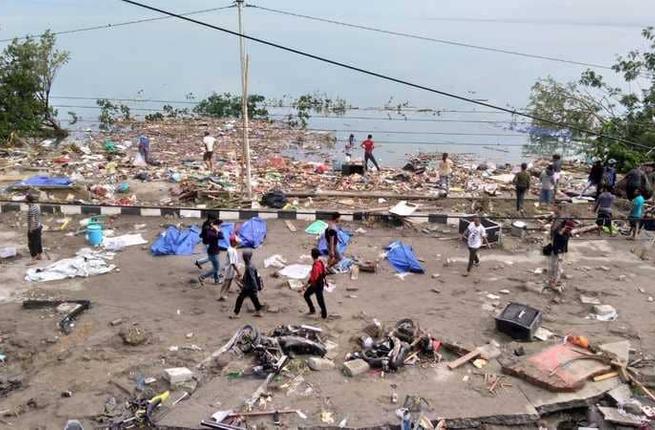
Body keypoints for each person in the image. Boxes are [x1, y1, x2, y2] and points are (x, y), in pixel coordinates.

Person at [548, 204, 576, 291]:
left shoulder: (563, 217)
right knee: (555, 260)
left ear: (558, 208)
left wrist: (561, 231)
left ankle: (555, 280)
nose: (552, 208)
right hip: (558, 240)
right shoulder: (559, 216)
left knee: (557, 261)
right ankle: (554, 279)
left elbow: (570, 226)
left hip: (560, 240)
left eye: (554, 207)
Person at [231, 250, 263, 319]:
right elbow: (252, 275)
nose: (243, 258)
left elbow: (252, 278)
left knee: (240, 298)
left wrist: (255, 287)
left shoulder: (249, 267)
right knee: (254, 298)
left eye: (244, 256)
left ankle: (236, 314)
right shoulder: (250, 264)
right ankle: (258, 311)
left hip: (249, 287)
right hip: (249, 286)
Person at [303, 248, 328, 319]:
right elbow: (324, 272)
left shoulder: (315, 266)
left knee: (307, 295)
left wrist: (306, 285)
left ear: (312, 256)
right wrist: (325, 281)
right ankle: (323, 313)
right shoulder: (321, 262)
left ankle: (314, 310)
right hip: (321, 283)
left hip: (316, 285)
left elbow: (313, 278)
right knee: (320, 299)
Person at [198, 219, 223, 286]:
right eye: (219, 225)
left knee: (215, 266)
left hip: (212, 251)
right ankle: (202, 277)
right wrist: (217, 230)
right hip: (213, 252)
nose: (219, 227)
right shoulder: (211, 233)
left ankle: (217, 280)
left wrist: (215, 229)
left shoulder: (210, 231)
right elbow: (221, 236)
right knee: (216, 268)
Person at [218, 236, 241, 301]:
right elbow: (232, 263)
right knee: (226, 282)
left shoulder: (232, 248)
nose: (237, 243)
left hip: (232, 269)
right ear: (233, 242)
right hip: (230, 269)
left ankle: (224, 294)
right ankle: (222, 295)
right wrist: (238, 271)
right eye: (236, 242)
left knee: (230, 282)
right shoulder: (231, 250)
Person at [26, 193, 43, 263]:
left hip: (34, 228)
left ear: (28, 200)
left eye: (25, 199)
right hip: (38, 226)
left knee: (31, 244)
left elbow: (32, 220)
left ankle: (33, 258)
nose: (24, 201)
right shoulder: (36, 206)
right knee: (38, 241)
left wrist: (31, 229)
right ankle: (39, 255)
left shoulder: (31, 209)